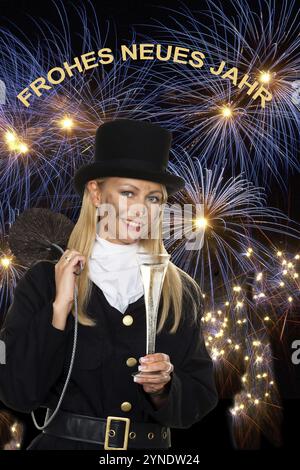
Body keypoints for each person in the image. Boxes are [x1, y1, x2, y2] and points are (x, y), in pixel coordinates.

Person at [0, 119, 218, 450]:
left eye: (154, 198)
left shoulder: (181, 290)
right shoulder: (45, 281)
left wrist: (164, 388)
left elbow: (200, 400)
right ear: (97, 192)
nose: (141, 210)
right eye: (128, 192)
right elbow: (18, 393)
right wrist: (59, 308)